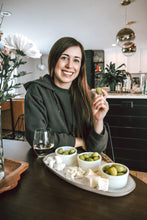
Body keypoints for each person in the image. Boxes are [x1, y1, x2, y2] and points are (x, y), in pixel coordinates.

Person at [24, 37, 109, 153]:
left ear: (80, 66)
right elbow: (37, 138)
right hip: (49, 163)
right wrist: (80, 141)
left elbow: (97, 148)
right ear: (54, 60)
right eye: (64, 58)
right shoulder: (37, 91)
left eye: (76, 60)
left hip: (81, 166)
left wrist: (98, 120)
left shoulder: (89, 97)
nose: (70, 65)